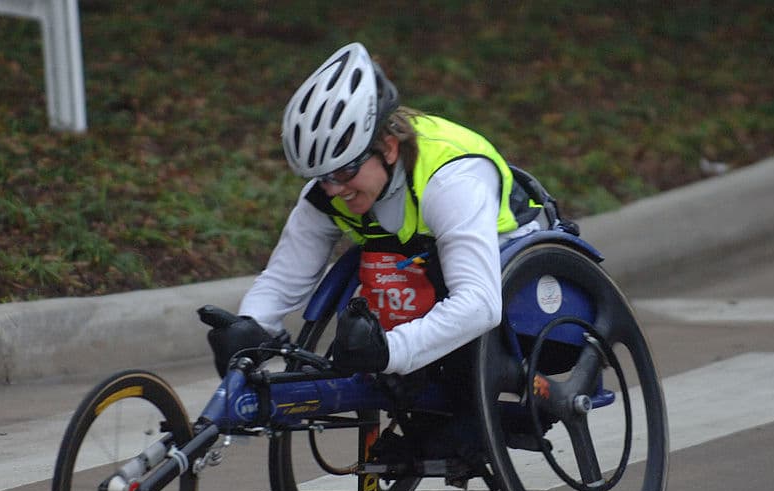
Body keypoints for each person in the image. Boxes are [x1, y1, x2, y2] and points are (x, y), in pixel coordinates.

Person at [206, 42, 537, 467]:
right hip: (421, 270)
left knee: (435, 288)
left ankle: (456, 419)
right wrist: (251, 327)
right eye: (321, 177)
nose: (334, 189)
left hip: (509, 274)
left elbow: (480, 304)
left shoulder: (450, 180)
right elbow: (285, 277)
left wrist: (391, 351)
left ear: (388, 147)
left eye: (345, 171)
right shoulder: (332, 190)